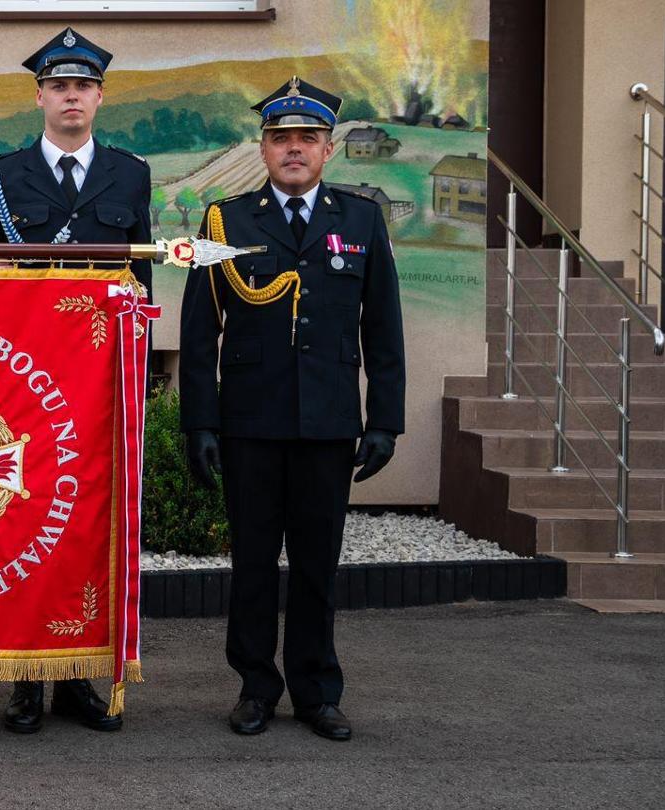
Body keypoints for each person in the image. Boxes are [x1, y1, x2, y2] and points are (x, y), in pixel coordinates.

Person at [179, 76, 406, 742]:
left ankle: (316, 690)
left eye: (307, 138)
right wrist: (202, 422)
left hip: (329, 424)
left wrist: (385, 422)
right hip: (251, 421)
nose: (294, 149)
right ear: (264, 148)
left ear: (328, 149)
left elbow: (383, 330)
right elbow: (199, 332)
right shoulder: (226, 220)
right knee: (251, 564)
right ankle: (255, 687)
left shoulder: (360, 220)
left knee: (316, 565)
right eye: (281, 139)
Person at [0, 26, 150, 735]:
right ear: (40, 96)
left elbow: (141, 279)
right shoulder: (0, 174)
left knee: (87, 524)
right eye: (57, 86)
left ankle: (80, 672)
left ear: (99, 97)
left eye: (81, 86)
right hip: (24, 378)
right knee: (20, 522)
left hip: (100, 376)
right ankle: (26, 678)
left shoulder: (131, 172)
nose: (69, 96)